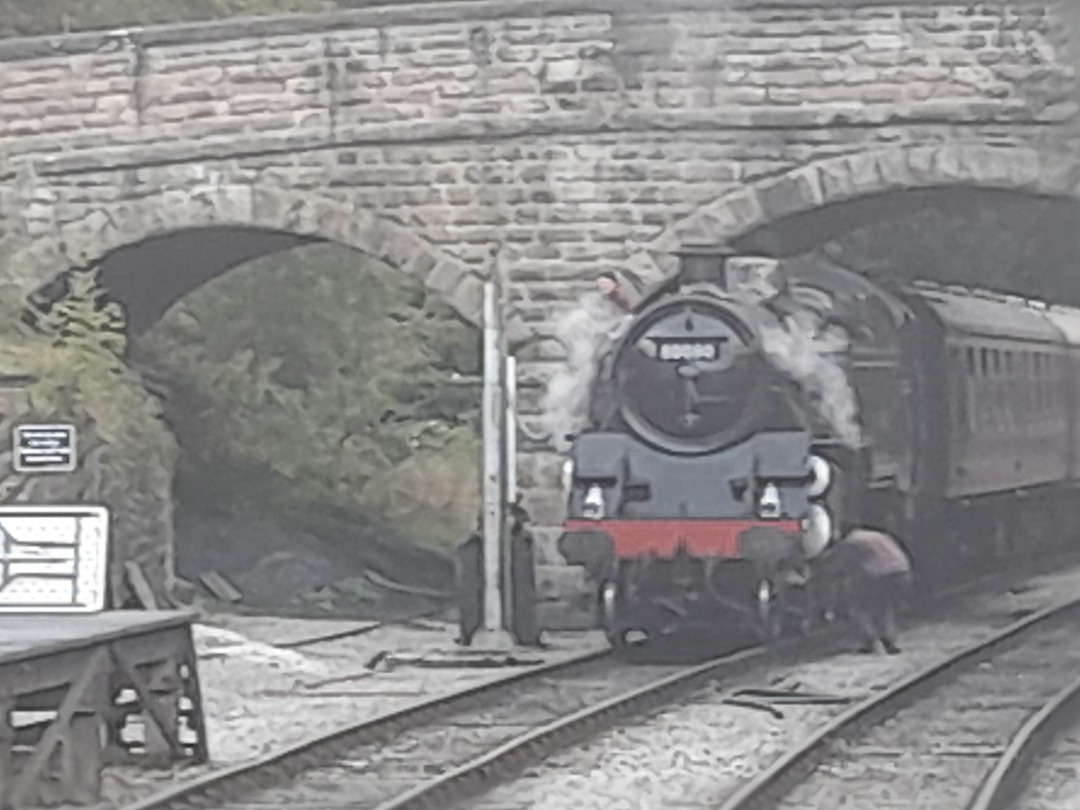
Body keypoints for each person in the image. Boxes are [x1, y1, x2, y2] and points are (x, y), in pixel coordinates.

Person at [820, 525, 913, 655]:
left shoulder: (851, 541)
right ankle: (889, 640)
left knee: (858, 606)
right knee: (886, 607)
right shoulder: (878, 534)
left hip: (878, 573)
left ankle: (869, 641)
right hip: (902, 570)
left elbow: (844, 564)